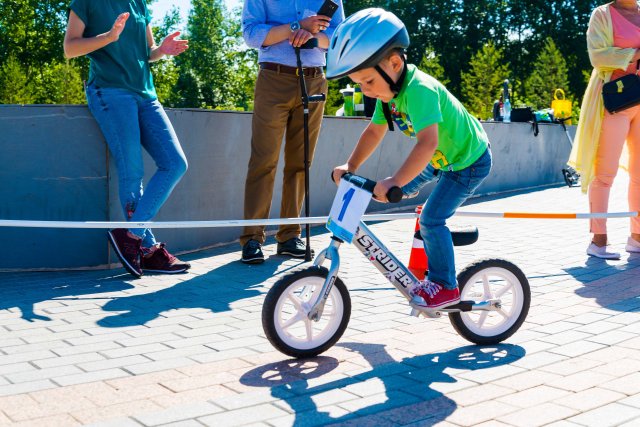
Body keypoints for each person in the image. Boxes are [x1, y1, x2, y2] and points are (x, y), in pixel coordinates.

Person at [327, 8, 492, 309]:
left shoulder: (419, 91)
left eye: (367, 82)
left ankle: (446, 286)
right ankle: (422, 209)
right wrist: (351, 166)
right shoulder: (388, 95)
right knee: (397, 189)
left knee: (431, 219)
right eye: (361, 84)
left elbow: (427, 143)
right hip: (442, 158)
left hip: (467, 162)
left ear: (393, 63)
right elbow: (374, 132)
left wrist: (396, 181)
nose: (366, 91)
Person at [64, 0, 190, 277]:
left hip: (146, 94)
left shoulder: (139, 3)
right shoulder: (85, 3)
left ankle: (131, 236)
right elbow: (70, 48)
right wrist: (109, 37)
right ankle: (148, 251)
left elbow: (148, 53)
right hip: (110, 92)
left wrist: (163, 51)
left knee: (175, 163)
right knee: (132, 172)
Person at [240, 0, 344, 264]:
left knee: (301, 163)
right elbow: (250, 35)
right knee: (263, 161)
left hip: (314, 80)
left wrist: (311, 36)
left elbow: (340, 37)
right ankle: (252, 238)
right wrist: (295, 27)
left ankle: (289, 237)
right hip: (273, 78)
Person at [568, 0, 640, 260]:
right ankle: (598, 241)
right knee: (604, 171)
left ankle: (637, 237)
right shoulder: (602, 14)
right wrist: (635, 55)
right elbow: (597, 56)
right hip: (615, 99)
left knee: (639, 173)